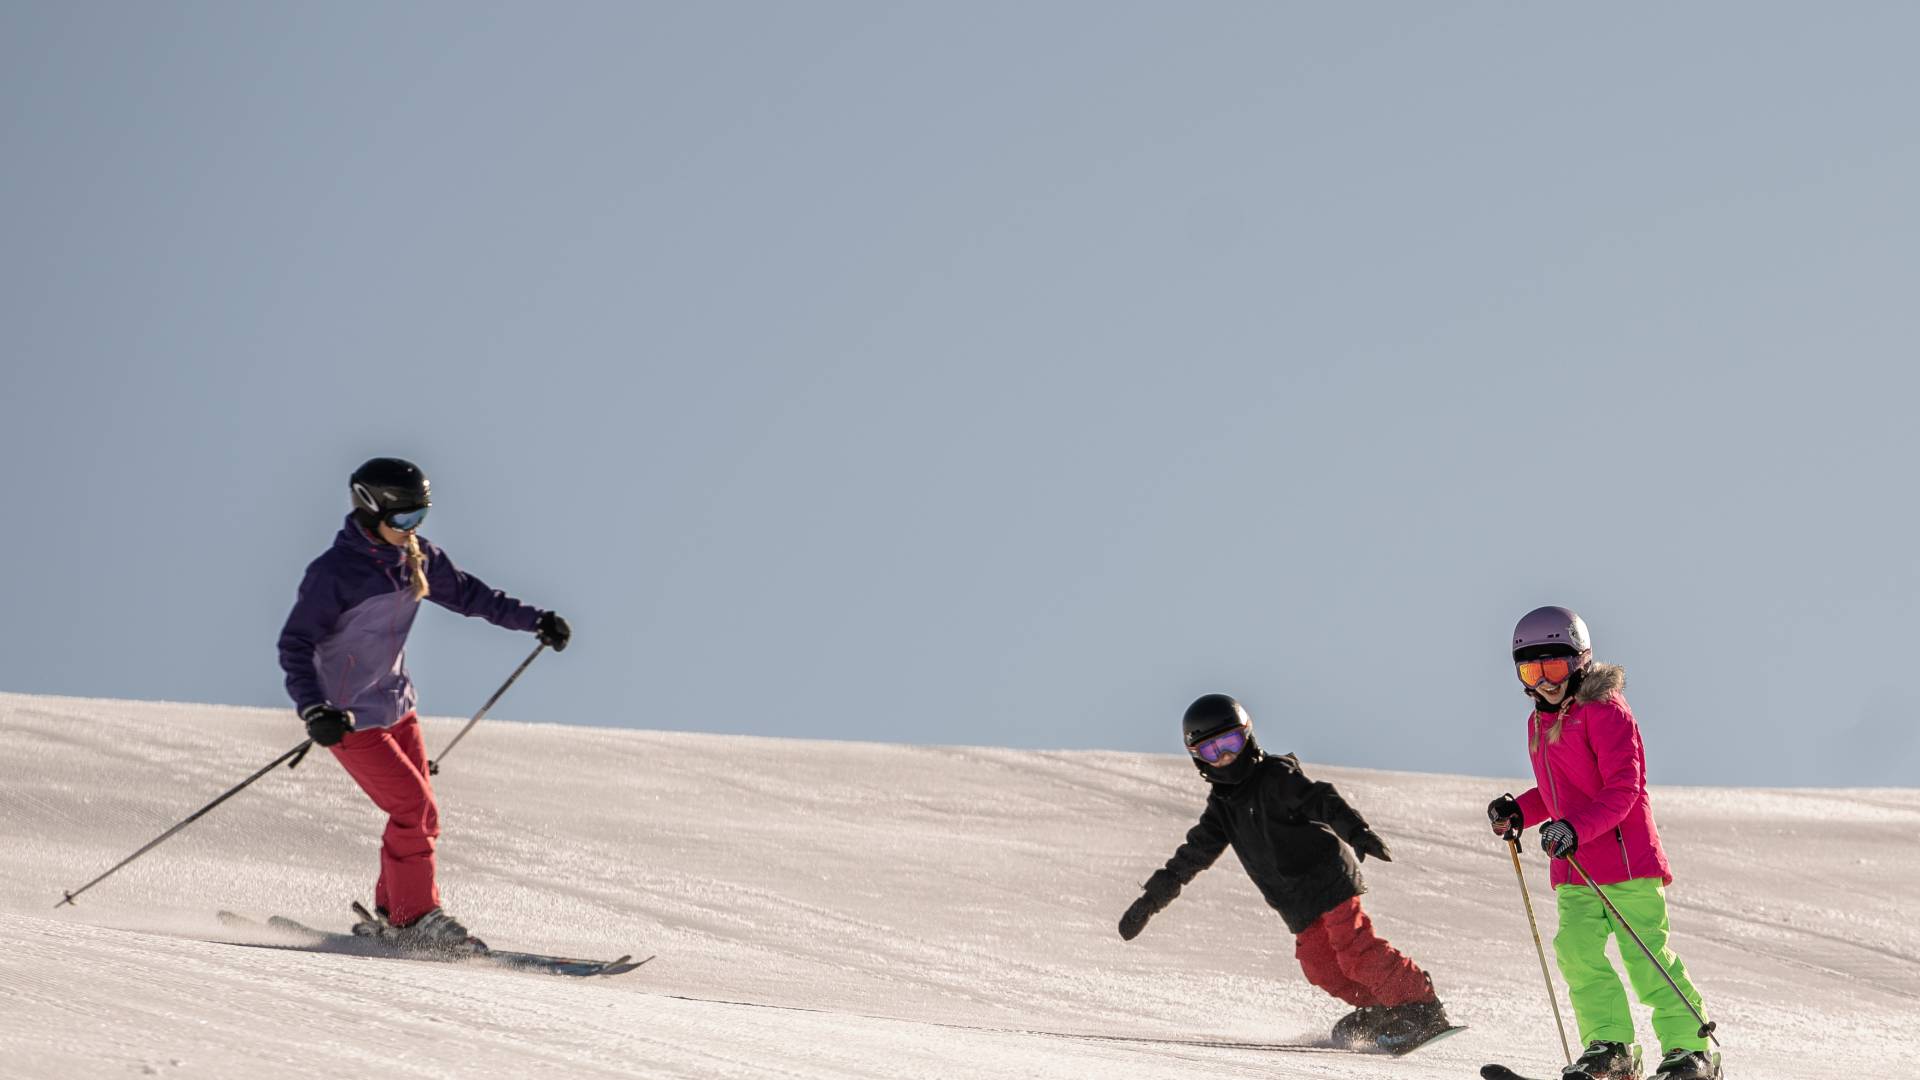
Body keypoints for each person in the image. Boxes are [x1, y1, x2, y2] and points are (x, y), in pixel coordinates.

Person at [277, 457, 571, 952]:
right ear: (371, 512)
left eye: (420, 517)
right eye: (402, 520)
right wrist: (314, 709)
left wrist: (536, 620)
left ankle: (395, 914)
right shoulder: (335, 573)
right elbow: (295, 643)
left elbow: (475, 597)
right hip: (349, 716)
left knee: (423, 814)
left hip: (396, 705)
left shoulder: (418, 557)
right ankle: (416, 919)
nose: (411, 529)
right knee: (412, 808)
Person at [1118, 694, 1452, 1050]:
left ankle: (1419, 1005)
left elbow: (1321, 799)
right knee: (1320, 966)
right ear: (1198, 758)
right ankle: (1383, 1006)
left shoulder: (1275, 777)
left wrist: (1356, 831)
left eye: (1230, 742)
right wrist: (1150, 901)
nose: (1226, 757)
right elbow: (1190, 857)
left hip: (1328, 878)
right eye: (1212, 751)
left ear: (1247, 736)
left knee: (1353, 950)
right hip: (1294, 901)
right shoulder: (1221, 809)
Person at [1487, 606, 1719, 1080]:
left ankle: (1691, 1051)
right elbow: (1556, 795)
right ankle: (1610, 1047)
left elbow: (1623, 788)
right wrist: (1521, 813)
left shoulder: (1604, 710)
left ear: (1580, 661)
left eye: (1554, 667)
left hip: (1626, 862)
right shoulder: (1539, 724)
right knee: (1578, 955)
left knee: (1646, 957)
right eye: (1532, 670)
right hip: (1574, 869)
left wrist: (1573, 828)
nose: (1544, 681)